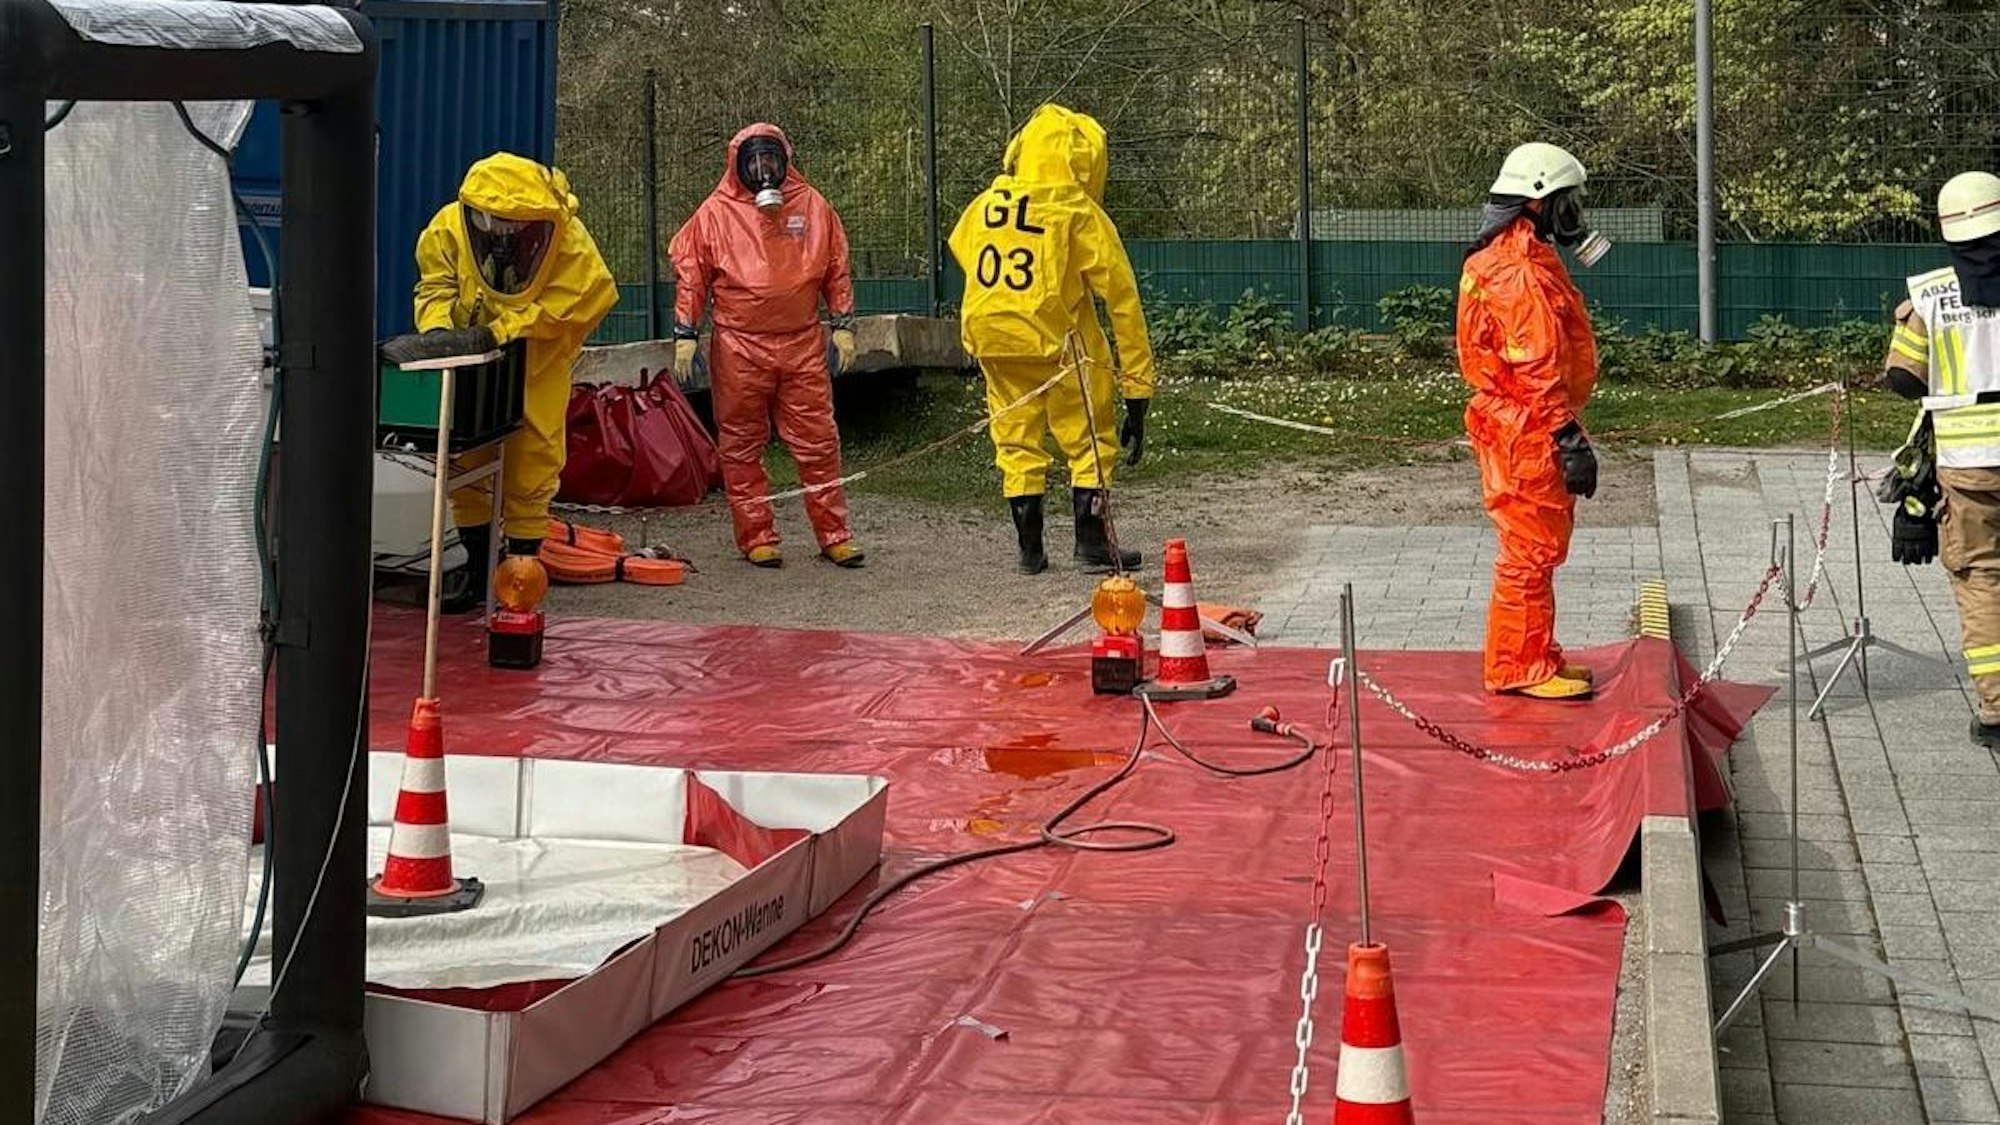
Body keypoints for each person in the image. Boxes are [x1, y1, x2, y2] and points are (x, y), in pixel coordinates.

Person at [384, 152, 618, 609]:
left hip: (535, 362)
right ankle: (477, 573)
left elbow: (590, 298)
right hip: (469, 361)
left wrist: (507, 329)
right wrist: (441, 336)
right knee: (466, 457)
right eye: (494, 225)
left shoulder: (567, 241)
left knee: (533, 457)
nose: (504, 238)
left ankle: (522, 575)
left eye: (516, 229)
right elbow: (434, 287)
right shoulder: (449, 227)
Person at [949, 102, 1153, 575]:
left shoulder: (986, 205)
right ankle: (1091, 543)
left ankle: (1030, 550)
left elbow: (962, 246)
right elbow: (1123, 304)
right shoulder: (1077, 212)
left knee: (1016, 441)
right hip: (1062, 348)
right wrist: (1137, 391)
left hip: (996, 342)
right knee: (1089, 440)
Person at [669, 124, 863, 569]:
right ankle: (756, 535)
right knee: (740, 443)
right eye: (753, 163)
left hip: (802, 341)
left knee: (818, 441)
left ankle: (834, 533)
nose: (763, 171)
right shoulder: (715, 213)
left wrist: (843, 324)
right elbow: (691, 274)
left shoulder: (813, 206)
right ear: (737, 166)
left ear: (785, 160)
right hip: (739, 345)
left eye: (770, 160)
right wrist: (685, 334)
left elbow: (837, 266)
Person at [1456, 142, 1610, 700]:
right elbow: (1536, 362)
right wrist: (1566, 436)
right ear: (1541, 199)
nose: (1575, 213)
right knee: (1528, 551)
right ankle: (1517, 667)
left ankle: (1535, 654)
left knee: (1537, 548)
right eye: (1569, 201)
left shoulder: (1515, 255)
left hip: (1524, 421)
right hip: (1528, 426)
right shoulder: (1515, 269)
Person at [1879, 170, 2000, 748]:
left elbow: (1903, 379)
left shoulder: (1929, 295)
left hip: (1970, 465)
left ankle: (1998, 710)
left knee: (1981, 580)